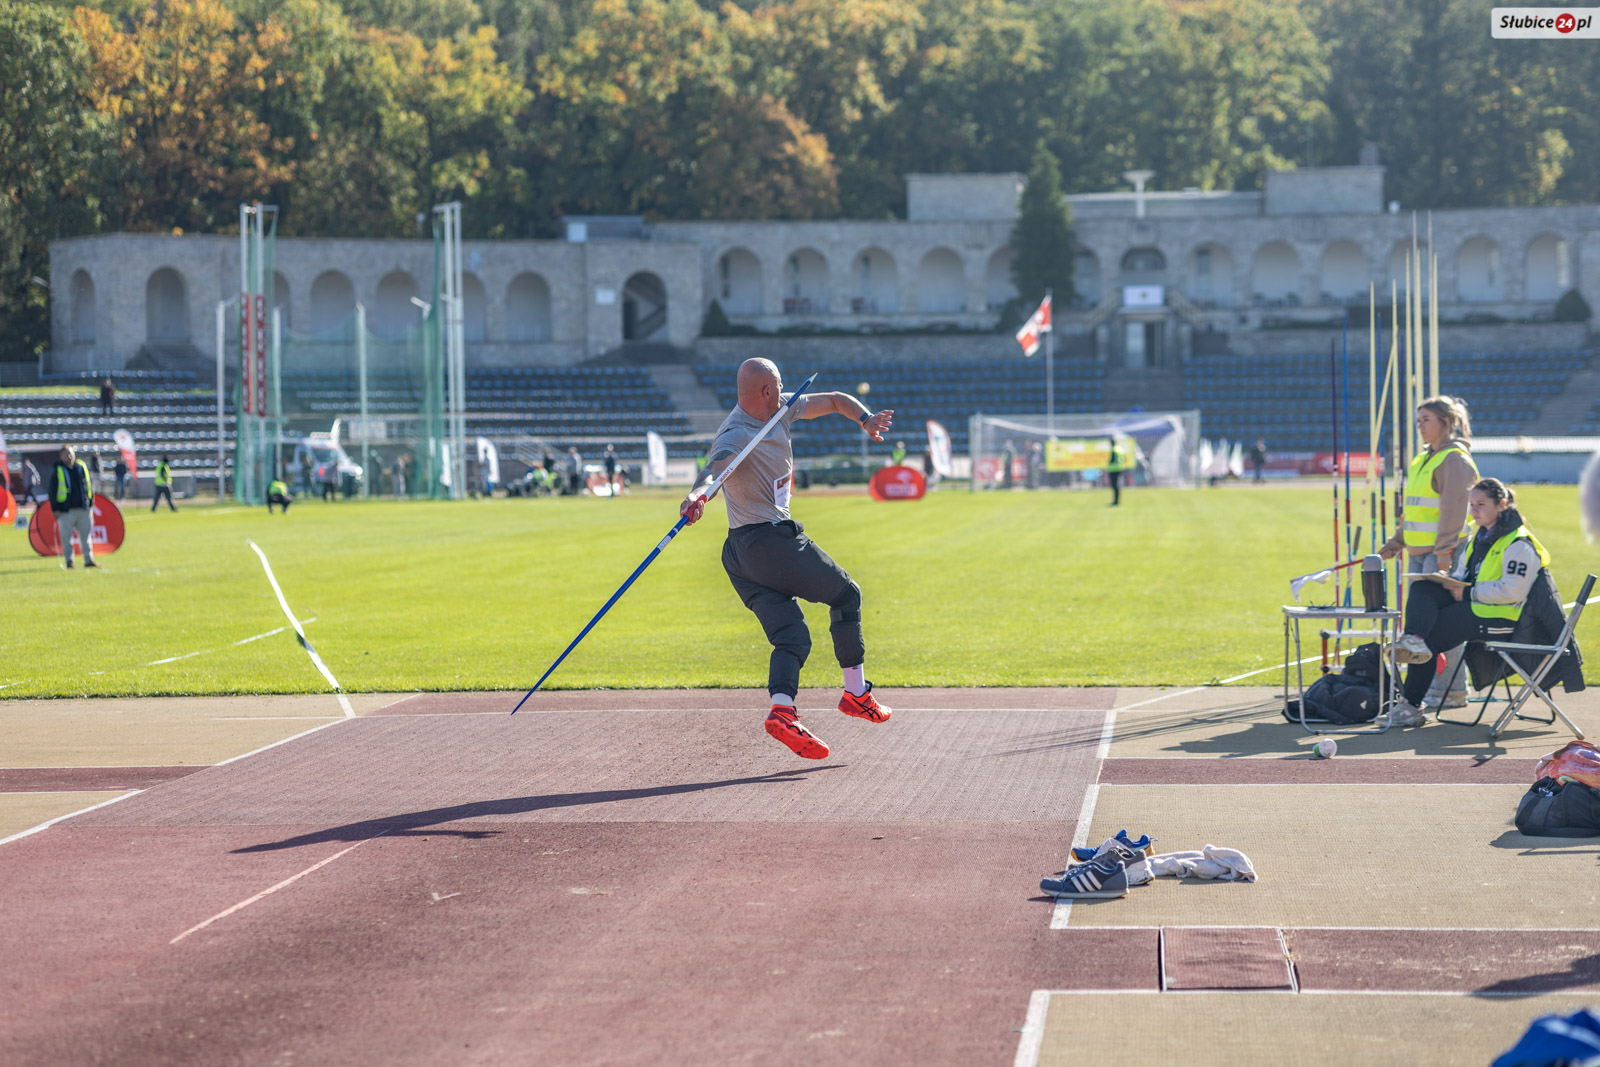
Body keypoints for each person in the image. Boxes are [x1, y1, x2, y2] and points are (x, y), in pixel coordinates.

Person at [679, 358, 895, 761]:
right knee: (846, 595)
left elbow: (833, 400)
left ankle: (782, 711)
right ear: (765, 391)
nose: (785, 390)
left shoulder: (779, 409)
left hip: (740, 556)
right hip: (769, 543)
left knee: (792, 638)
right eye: (779, 385)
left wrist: (864, 419)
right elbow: (713, 470)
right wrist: (697, 496)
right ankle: (856, 694)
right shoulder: (737, 433)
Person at [1386, 479, 1546, 727]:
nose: (1474, 510)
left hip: (1500, 618)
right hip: (1475, 605)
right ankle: (1413, 640)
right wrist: (1449, 580)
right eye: (1472, 504)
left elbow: (1513, 592)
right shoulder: (1479, 536)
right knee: (1423, 588)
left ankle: (1410, 705)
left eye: (1481, 504)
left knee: (1432, 638)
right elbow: (1465, 575)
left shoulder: (1519, 543)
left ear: (1501, 505)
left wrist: (1468, 592)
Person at [1378, 396, 1478, 710]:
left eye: (1426, 420)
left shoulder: (1454, 460)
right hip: (1419, 554)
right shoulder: (1424, 459)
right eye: (1418, 420)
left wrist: (1445, 555)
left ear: (1446, 423)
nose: (1420, 426)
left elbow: (1454, 513)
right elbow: (1414, 510)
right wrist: (1397, 540)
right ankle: (1440, 690)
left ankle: (1452, 691)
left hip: (1441, 553)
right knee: (1421, 631)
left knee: (1440, 629)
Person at [49, 445, 97, 569]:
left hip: (83, 508)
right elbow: (52, 491)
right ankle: (69, 561)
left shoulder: (81, 467)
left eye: (71, 453)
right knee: (66, 538)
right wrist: (55, 508)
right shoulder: (58, 470)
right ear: (61, 456)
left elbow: (89, 486)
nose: (69, 456)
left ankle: (89, 559)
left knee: (86, 536)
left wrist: (90, 503)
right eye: (66, 454)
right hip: (66, 511)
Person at [1105, 436, 1129, 506]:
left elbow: (1112, 460)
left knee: (1114, 486)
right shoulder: (1120, 449)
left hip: (1113, 470)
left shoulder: (1114, 450)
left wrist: (1108, 464)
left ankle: (1115, 501)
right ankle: (1117, 500)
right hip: (1119, 468)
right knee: (1117, 486)